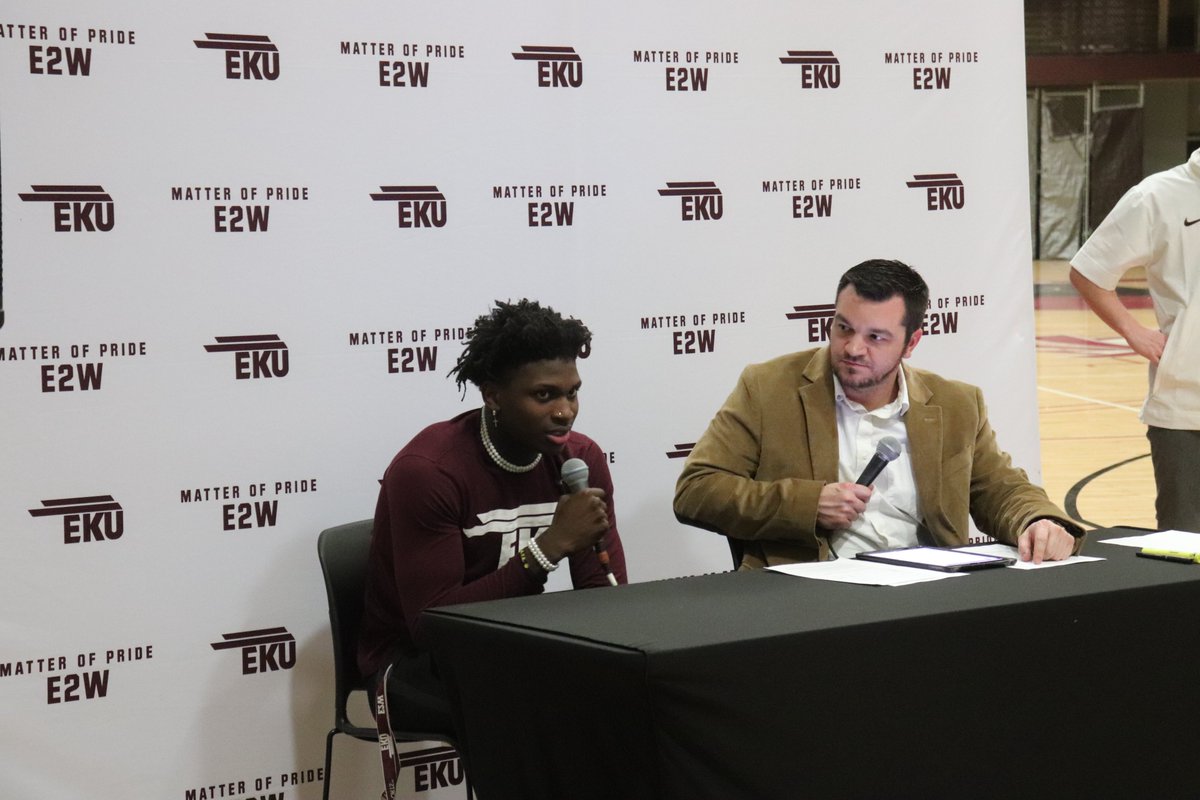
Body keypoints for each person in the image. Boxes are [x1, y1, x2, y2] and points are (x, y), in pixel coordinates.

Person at [674, 259, 1083, 568]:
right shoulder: (767, 389)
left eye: (876, 337)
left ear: (911, 343)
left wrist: (1038, 521)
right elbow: (697, 491)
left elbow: (1000, 489)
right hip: (811, 598)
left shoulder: (956, 403)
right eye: (843, 328)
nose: (853, 348)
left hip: (929, 596)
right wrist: (808, 504)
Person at [358, 299, 627, 733]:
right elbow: (432, 627)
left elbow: (603, 592)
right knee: (545, 705)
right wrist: (546, 549)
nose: (565, 411)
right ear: (493, 395)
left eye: (572, 393)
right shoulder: (429, 471)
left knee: (628, 687)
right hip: (413, 664)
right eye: (544, 395)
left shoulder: (579, 462)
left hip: (515, 647)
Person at [1069, 148, 1200, 532]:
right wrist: (1134, 331)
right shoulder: (1156, 196)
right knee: (1183, 542)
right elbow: (1088, 270)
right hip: (1185, 407)